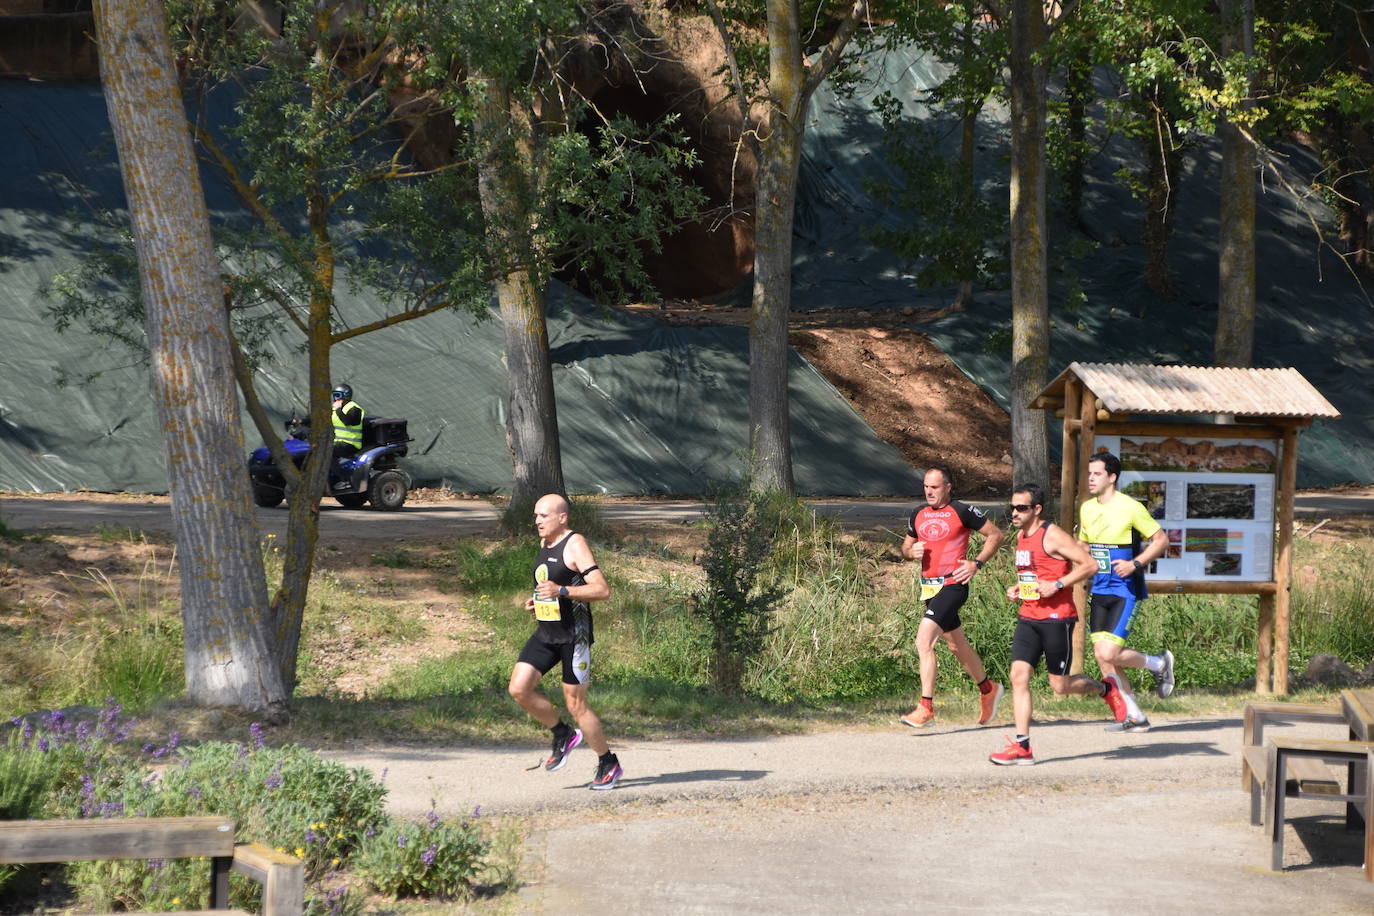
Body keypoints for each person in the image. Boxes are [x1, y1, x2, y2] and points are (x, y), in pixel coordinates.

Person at [989, 483, 1129, 765]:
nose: (1014, 513)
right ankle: (1022, 746)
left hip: (1057, 620)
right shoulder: (1021, 535)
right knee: (1019, 676)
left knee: (1061, 686)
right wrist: (1019, 588)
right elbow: (1035, 573)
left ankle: (1106, 689)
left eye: (1021, 508)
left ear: (1037, 509)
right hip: (1028, 618)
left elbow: (1089, 564)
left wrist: (1058, 584)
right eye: (1012, 507)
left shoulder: (1052, 535)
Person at [507, 493, 623, 790]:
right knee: (519, 689)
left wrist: (561, 592)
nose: (537, 521)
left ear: (562, 517)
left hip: (575, 637)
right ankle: (562, 734)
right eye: (535, 516)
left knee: (576, 704)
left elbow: (602, 590)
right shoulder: (544, 543)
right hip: (546, 632)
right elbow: (549, 584)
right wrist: (537, 600)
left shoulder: (575, 543)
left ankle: (608, 762)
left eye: (543, 516)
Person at [899, 466, 1006, 728]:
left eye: (934, 487)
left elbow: (996, 535)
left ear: (948, 487)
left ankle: (926, 707)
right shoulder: (918, 513)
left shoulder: (962, 511)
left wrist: (976, 564)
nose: (928, 491)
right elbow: (905, 545)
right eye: (926, 486)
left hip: (953, 585)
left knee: (923, 641)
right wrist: (909, 552)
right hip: (929, 588)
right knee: (957, 645)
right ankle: (988, 689)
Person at [1079, 451, 1174, 734]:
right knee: (1102, 657)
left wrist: (1136, 563)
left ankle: (1158, 663)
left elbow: (1161, 540)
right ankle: (1134, 716)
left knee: (1110, 650)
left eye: (1097, 474)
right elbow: (1083, 545)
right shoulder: (1087, 508)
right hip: (1099, 588)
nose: (1091, 478)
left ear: (1112, 477)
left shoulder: (1130, 507)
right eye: (1089, 473)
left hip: (1123, 589)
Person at [330, 383, 364, 462]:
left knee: (328, 452)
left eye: (338, 395)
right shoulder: (335, 409)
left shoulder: (354, 408)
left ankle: (340, 474)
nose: (335, 398)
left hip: (351, 444)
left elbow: (348, 421)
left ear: (346, 395)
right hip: (338, 443)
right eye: (334, 395)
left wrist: (338, 409)